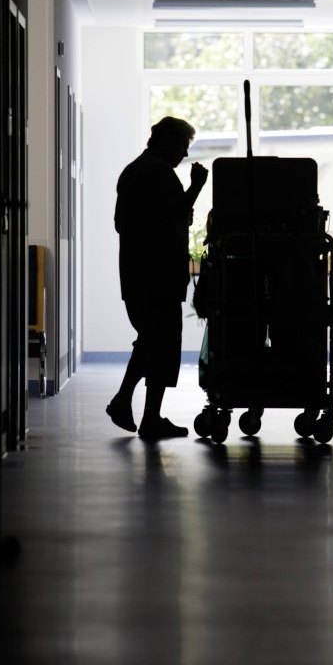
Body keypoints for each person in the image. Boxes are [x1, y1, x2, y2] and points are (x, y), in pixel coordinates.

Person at [106, 115, 209, 441]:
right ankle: (133, 406)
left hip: (138, 275)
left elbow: (124, 223)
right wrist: (196, 186)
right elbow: (173, 217)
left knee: (153, 343)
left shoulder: (135, 169)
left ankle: (141, 411)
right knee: (159, 343)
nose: (185, 154)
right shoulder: (158, 173)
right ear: (167, 141)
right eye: (183, 145)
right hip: (158, 277)